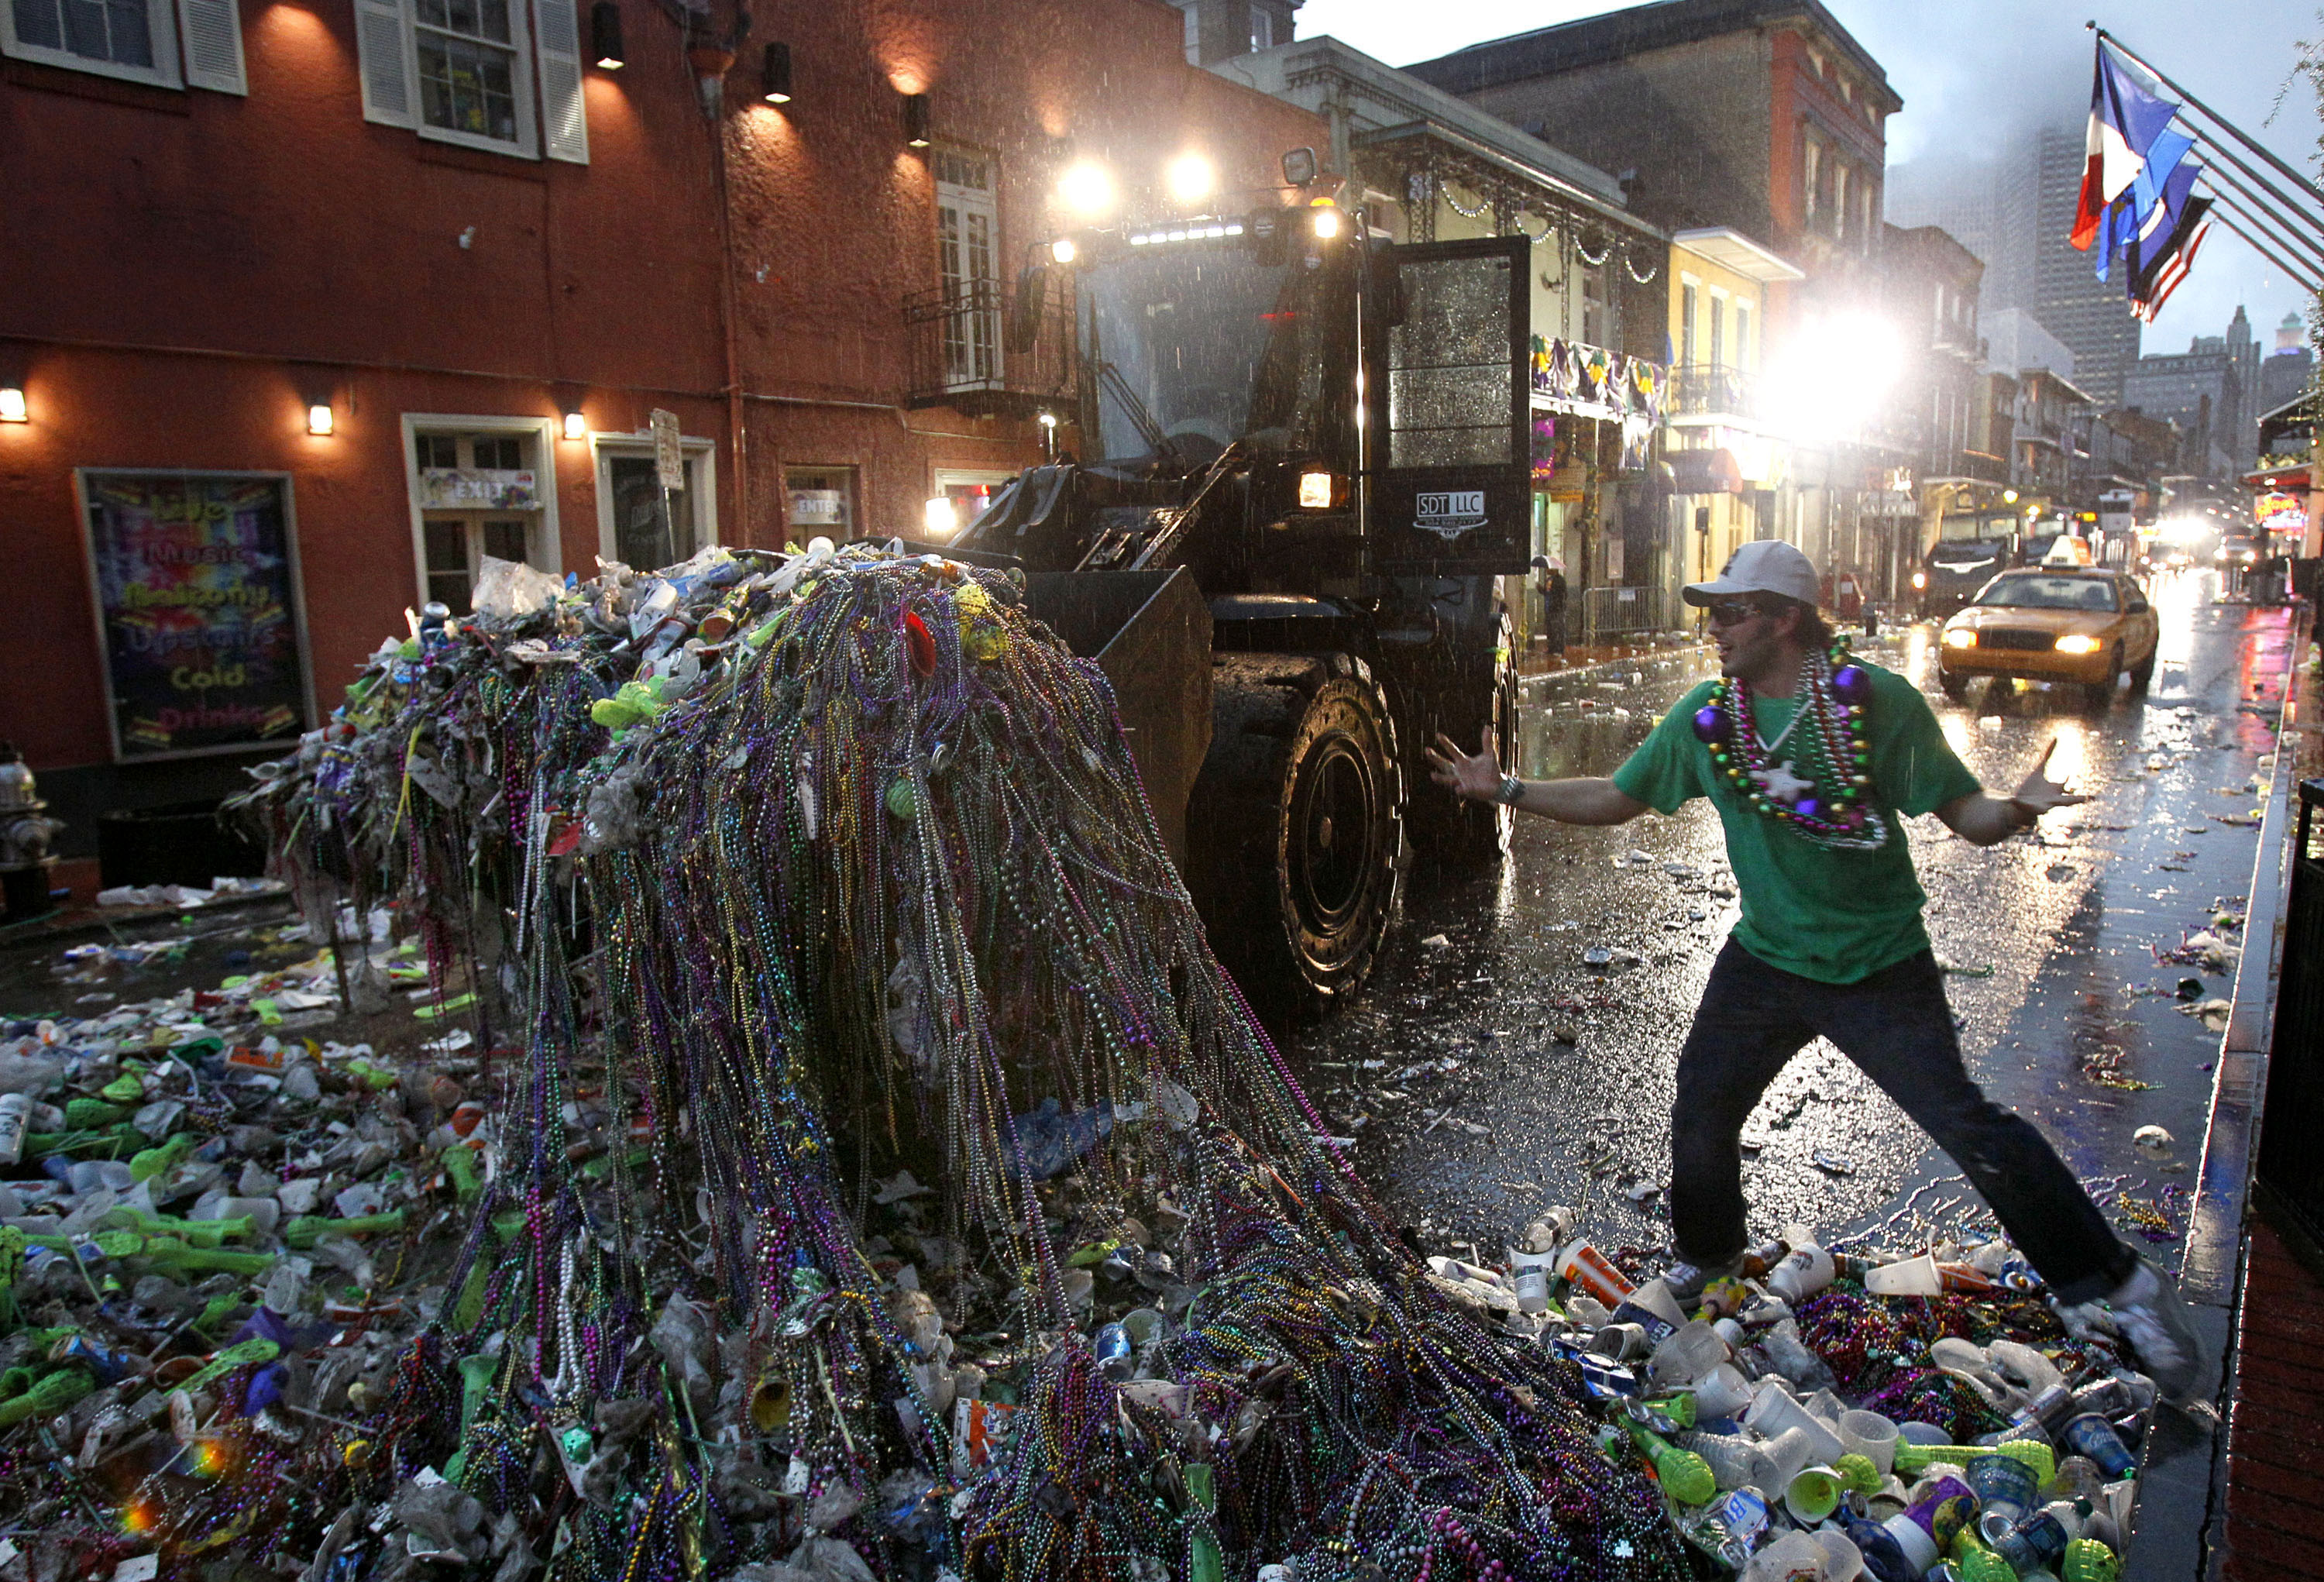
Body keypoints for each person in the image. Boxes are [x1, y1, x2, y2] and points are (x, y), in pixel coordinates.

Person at [1424, 539, 2203, 1400]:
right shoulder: (1710, 721)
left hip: (1878, 964)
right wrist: (1508, 791)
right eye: (1710, 612)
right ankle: (1711, 1259)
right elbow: (1620, 796)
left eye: (1731, 612)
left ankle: (2121, 1285)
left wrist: (2016, 807)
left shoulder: (1874, 706)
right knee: (1702, 1107)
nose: (1713, 628)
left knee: (1971, 1127)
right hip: (1765, 957)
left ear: (1786, 617)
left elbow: (1966, 813)